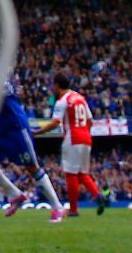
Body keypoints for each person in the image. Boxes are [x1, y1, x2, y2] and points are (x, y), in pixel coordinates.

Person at [0, 33, 63, 223]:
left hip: (14, 122)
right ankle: (15, 194)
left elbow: (6, 90)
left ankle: (58, 208)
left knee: (31, 167)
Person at [38, 70, 105, 217]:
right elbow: (90, 120)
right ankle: (98, 195)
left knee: (70, 174)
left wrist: (37, 132)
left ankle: (74, 210)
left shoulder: (62, 100)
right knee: (82, 173)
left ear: (57, 85)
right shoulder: (80, 97)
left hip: (72, 138)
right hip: (86, 138)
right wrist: (84, 133)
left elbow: (55, 122)